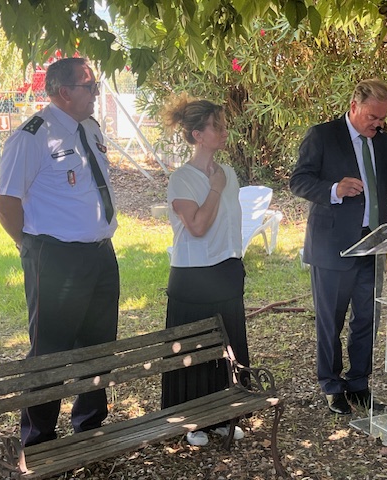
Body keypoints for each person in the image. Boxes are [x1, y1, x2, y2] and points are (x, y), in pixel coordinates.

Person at [289, 79, 387, 414]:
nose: (378, 123)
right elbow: (298, 180)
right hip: (333, 246)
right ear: (354, 106)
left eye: (382, 118)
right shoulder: (323, 136)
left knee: (368, 318)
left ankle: (359, 384)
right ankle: (331, 385)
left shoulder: (384, 143)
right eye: (372, 116)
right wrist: (334, 189)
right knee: (331, 319)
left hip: (374, 243)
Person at [0, 57, 120, 446]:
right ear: (64, 92)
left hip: (100, 253)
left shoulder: (91, 129)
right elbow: (6, 202)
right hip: (55, 258)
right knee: (49, 349)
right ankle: (39, 439)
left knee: (99, 345)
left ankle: (89, 427)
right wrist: (30, 247)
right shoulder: (32, 136)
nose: (96, 95)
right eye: (90, 87)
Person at [160, 93, 249, 446]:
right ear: (197, 135)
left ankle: (224, 415)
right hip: (193, 275)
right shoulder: (181, 179)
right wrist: (213, 190)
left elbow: (229, 226)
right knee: (193, 351)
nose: (224, 132)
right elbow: (197, 226)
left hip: (226, 269)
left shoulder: (228, 172)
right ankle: (192, 422)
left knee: (228, 345)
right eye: (217, 126)